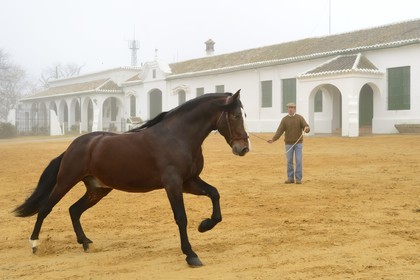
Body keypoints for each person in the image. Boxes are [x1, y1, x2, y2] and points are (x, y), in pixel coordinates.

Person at [267, 103, 310, 184]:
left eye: (292, 108)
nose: (290, 109)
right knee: (289, 161)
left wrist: (306, 128)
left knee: (298, 160)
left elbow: (306, 126)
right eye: (289, 107)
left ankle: (298, 179)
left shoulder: (300, 118)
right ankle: (290, 178)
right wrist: (273, 139)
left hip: (298, 144)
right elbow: (279, 131)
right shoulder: (284, 120)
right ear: (288, 109)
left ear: (295, 109)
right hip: (288, 144)